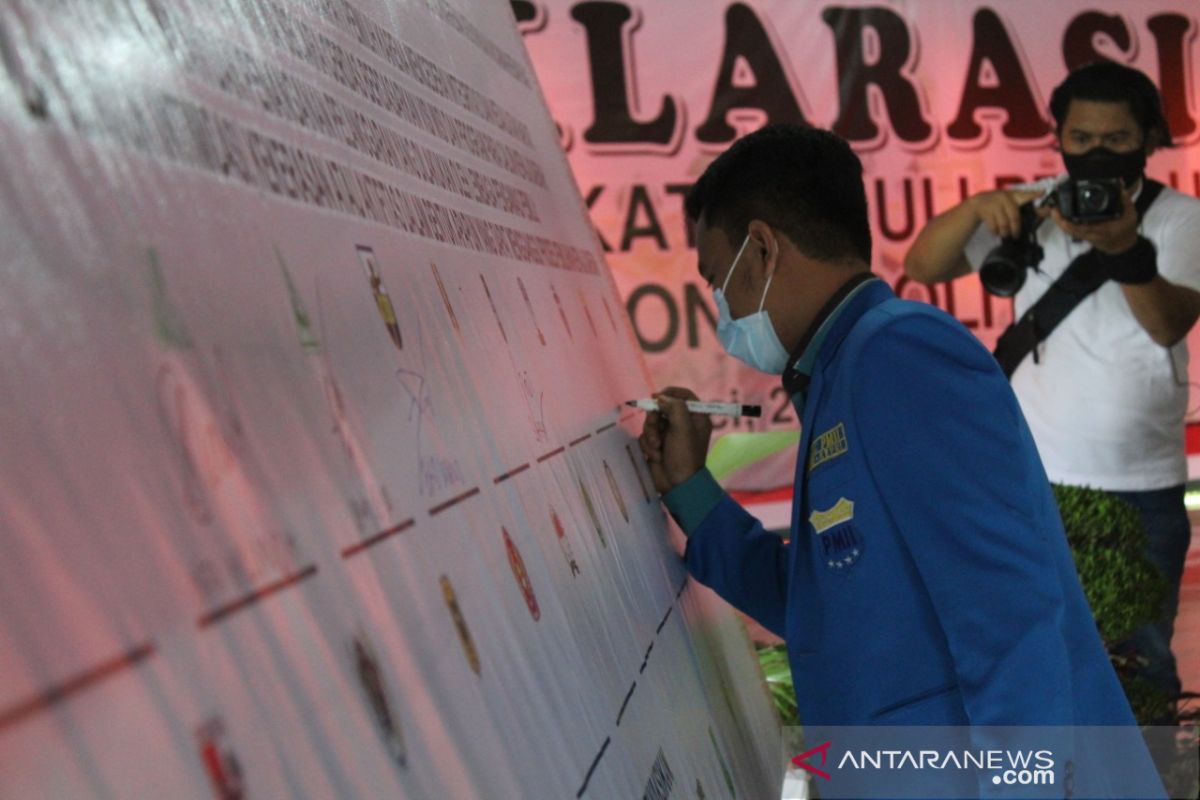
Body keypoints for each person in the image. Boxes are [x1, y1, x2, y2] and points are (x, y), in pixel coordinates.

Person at [639, 123, 1161, 795]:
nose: (721, 310)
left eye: (718, 281)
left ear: (762, 249)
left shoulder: (899, 355)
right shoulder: (838, 375)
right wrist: (693, 493)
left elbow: (1009, 617)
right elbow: (825, 606)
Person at [905, 62, 1200, 702]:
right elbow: (922, 265)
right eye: (1081, 139)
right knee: (1027, 655)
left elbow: (1168, 323)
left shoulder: (1181, 220)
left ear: (1151, 141)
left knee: (1136, 665)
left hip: (1139, 487)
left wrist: (1124, 245)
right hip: (1028, 481)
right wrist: (978, 208)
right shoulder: (1034, 205)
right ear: (1059, 137)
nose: (1095, 155)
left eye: (1117, 141)